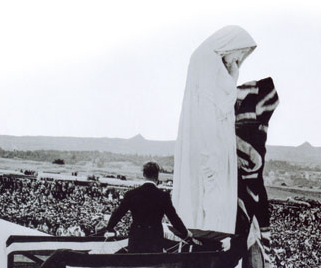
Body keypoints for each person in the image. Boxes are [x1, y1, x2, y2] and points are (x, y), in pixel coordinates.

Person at [173, 25, 257, 233]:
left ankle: (209, 229)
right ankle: (210, 231)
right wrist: (210, 149)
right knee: (213, 190)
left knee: (212, 192)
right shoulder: (208, 61)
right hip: (211, 139)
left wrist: (232, 77)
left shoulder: (209, 61)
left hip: (212, 136)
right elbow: (212, 106)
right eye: (240, 53)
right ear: (231, 45)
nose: (239, 59)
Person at [104, 162, 195, 253]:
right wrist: (186, 233)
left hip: (136, 238)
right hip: (154, 239)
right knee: (153, 265)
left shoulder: (131, 194)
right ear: (157, 176)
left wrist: (109, 228)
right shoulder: (163, 196)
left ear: (144, 174)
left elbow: (118, 213)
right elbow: (174, 219)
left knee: (134, 265)